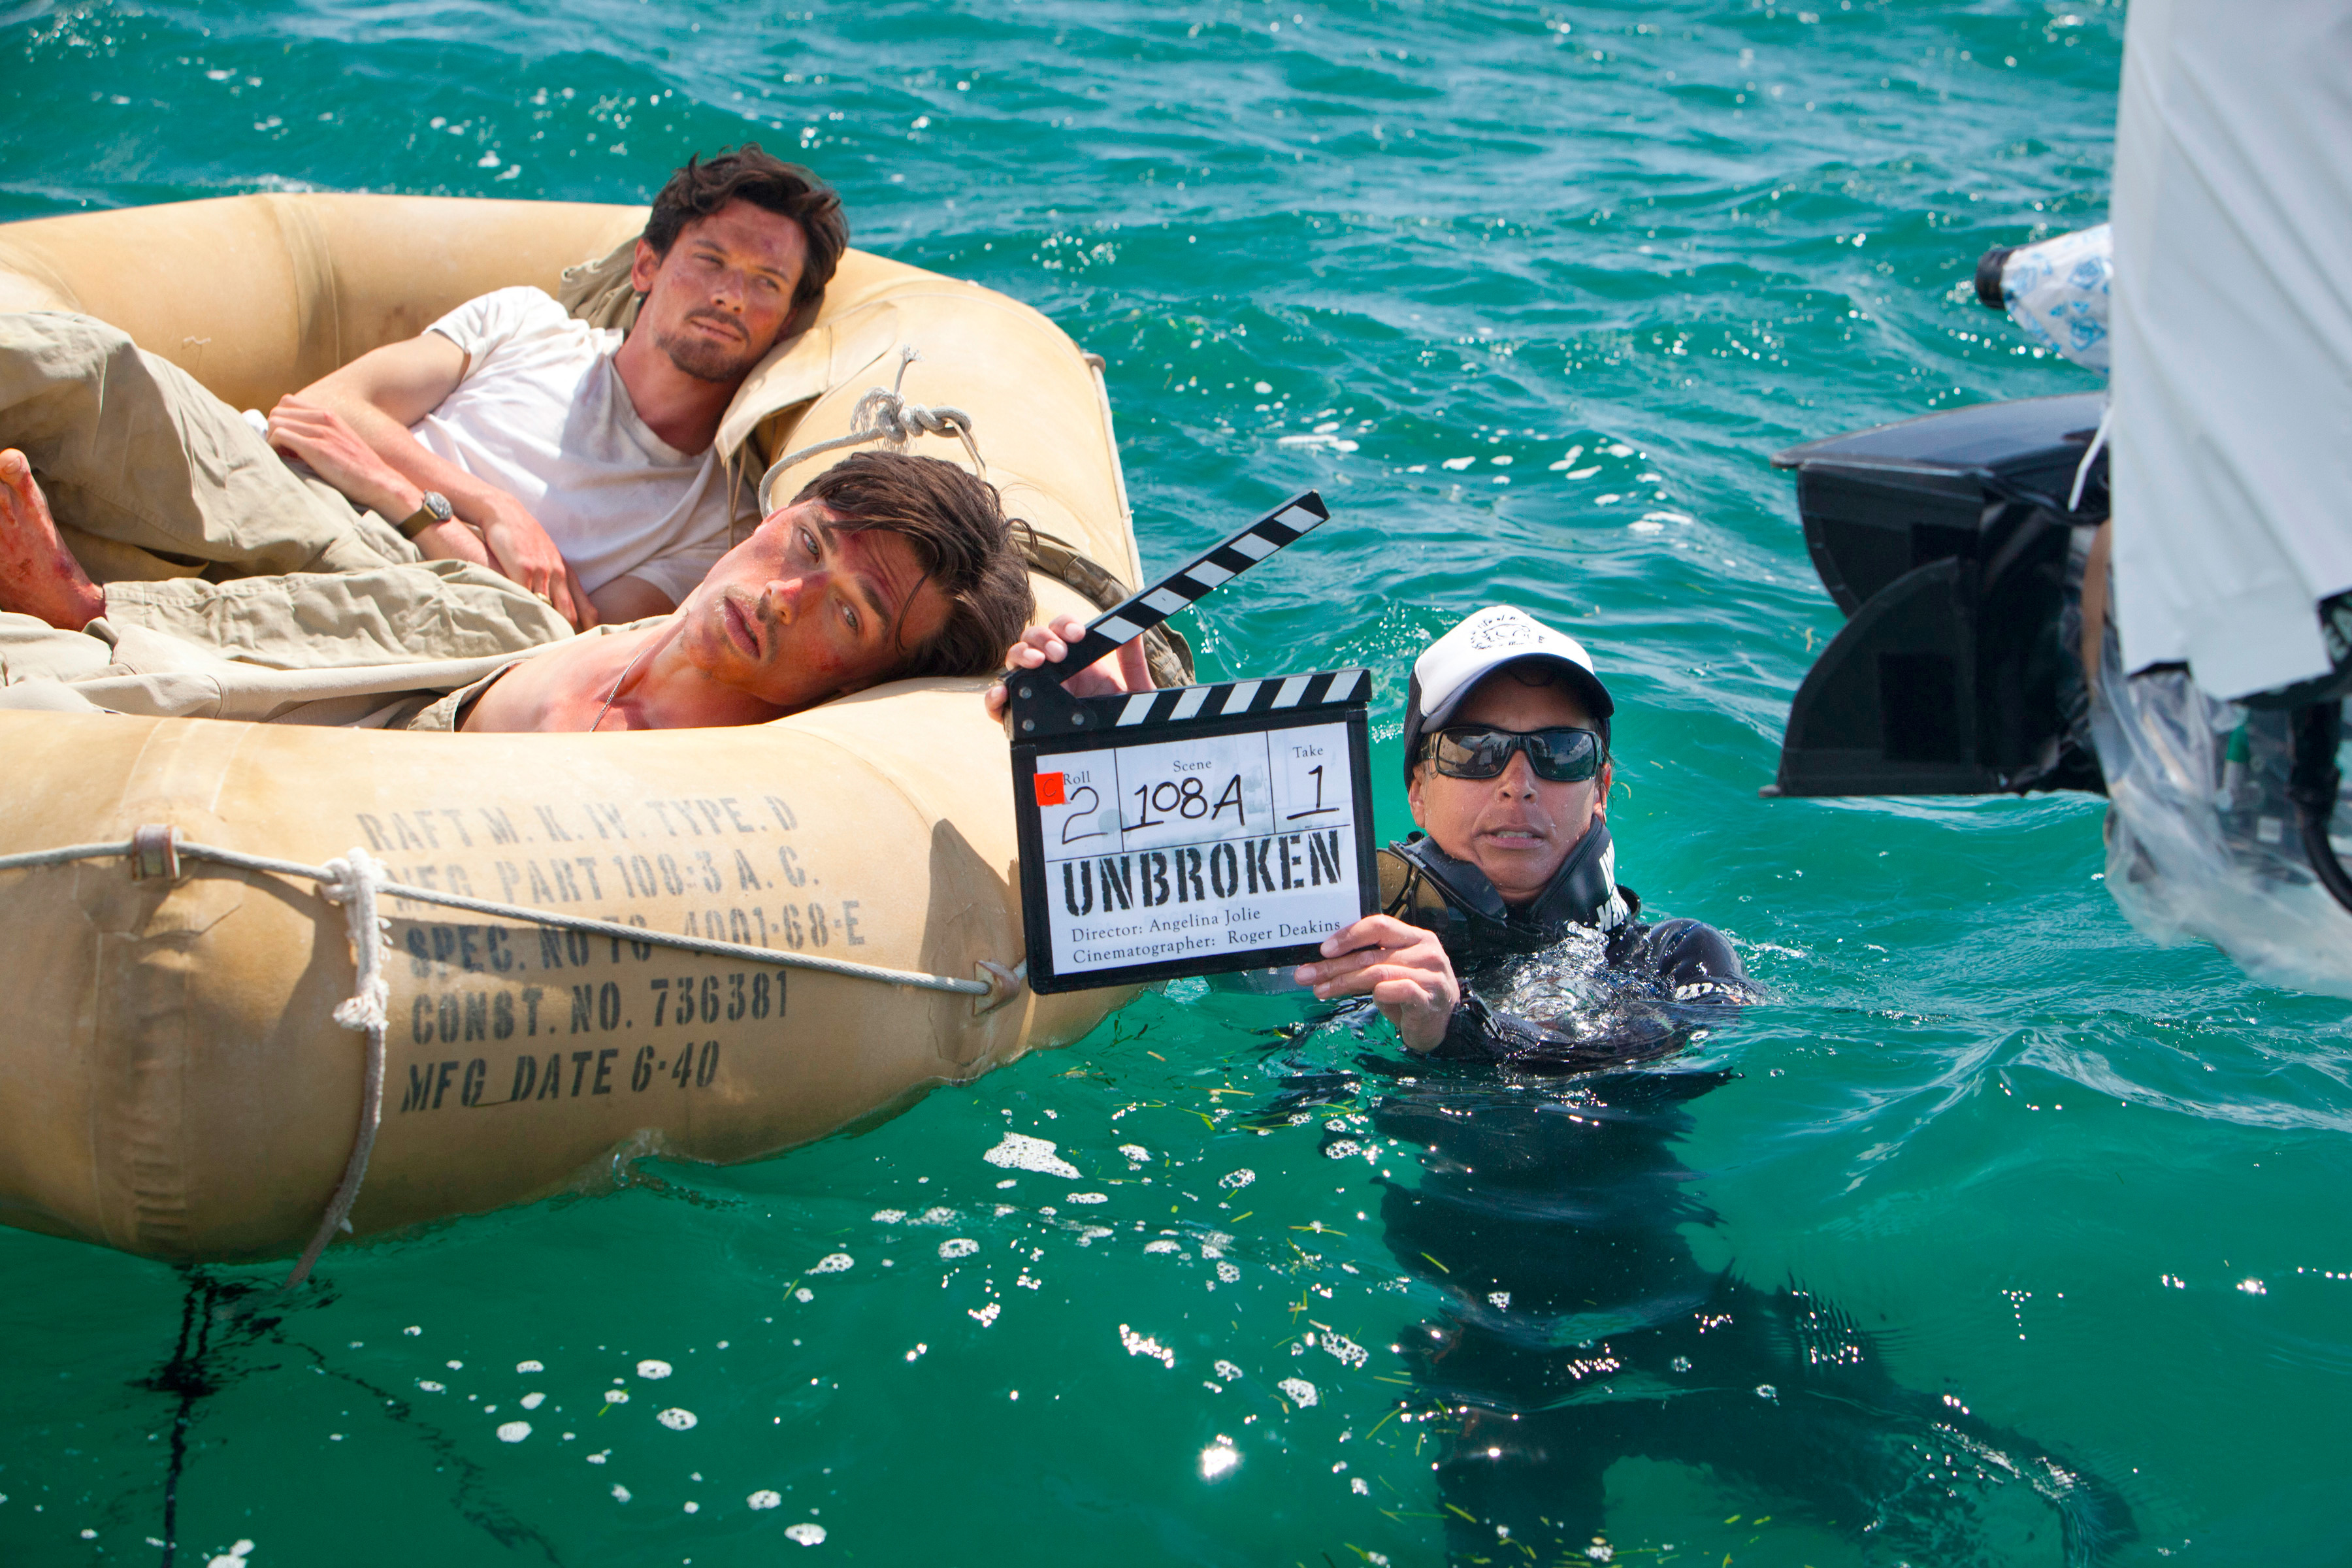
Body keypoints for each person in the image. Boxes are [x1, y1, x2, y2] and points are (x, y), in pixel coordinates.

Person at [0, 142, 843, 647]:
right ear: (648, 266)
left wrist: (409, 508)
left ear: (788, 322)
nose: (730, 294)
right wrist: (491, 511)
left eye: (766, 282)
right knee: (89, 359)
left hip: (406, 584)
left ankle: (89, 608)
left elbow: (560, 631)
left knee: (486, 621)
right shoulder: (525, 324)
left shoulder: (715, 516)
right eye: (711, 260)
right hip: (283, 478)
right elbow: (319, 412)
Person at [0, 451, 1032, 732]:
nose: (783, 596)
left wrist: (1061, 691)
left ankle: (81, 624)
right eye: (806, 543)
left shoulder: (716, 761)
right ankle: (91, 611)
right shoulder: (556, 615)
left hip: (406, 761)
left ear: (863, 680)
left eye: (848, 611)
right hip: (488, 639)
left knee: (48, 700)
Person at [1294, 604, 1753, 1064]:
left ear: (1600, 789)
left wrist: (1456, 1027)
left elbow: (1662, 1072)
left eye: (1561, 750)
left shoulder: (1679, 959)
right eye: (1475, 749)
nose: (1518, 785)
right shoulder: (1350, 960)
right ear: (1418, 791)